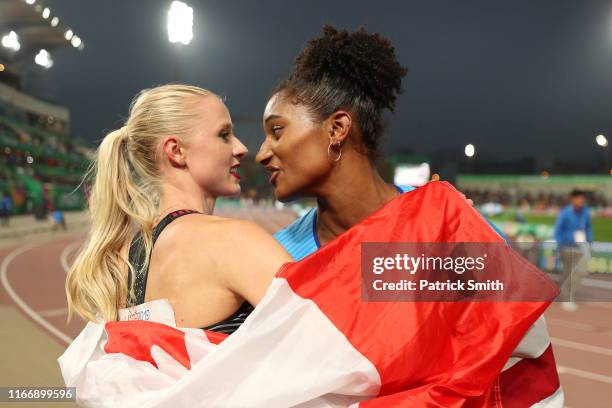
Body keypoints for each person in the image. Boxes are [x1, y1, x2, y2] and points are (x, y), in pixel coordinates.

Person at [257, 25, 563, 406]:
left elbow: (515, 363)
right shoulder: (277, 262)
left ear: (336, 129)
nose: (262, 153)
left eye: (276, 131)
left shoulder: (449, 228)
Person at [66, 84, 291, 332]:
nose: (241, 148)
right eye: (224, 135)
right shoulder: (233, 240)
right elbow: (327, 337)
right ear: (176, 151)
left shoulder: (121, 262)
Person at [554, 188, 592, 311]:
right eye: (579, 198)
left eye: (582, 198)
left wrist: (589, 243)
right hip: (567, 247)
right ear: (573, 199)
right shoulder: (565, 213)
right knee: (567, 273)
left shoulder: (585, 212)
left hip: (581, 246)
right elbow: (558, 230)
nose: (581, 200)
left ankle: (565, 295)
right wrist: (560, 246)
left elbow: (588, 228)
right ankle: (566, 297)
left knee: (580, 271)